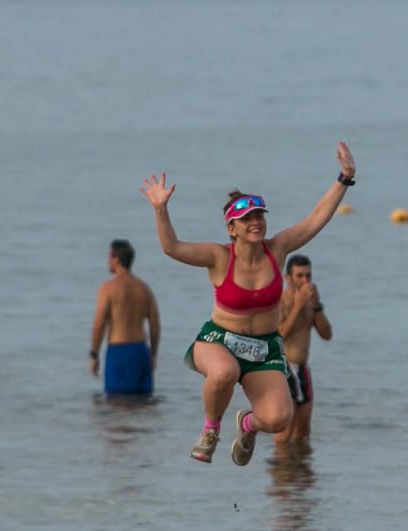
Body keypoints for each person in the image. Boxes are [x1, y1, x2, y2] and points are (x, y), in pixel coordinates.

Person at [140, 141, 355, 466]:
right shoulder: (218, 256)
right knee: (224, 371)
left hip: (264, 348)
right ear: (232, 228)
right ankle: (211, 430)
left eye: (259, 215)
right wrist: (160, 208)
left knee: (280, 419)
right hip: (219, 341)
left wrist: (344, 178)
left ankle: (246, 423)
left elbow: (315, 220)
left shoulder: (278, 248)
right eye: (246, 218)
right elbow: (171, 248)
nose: (255, 222)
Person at [275, 254, 333, 447]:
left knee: (303, 432)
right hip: (283, 368)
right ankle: (281, 474)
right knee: (285, 431)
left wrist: (316, 306)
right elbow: (279, 336)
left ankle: (301, 475)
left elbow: (327, 334)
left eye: (308, 276)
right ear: (288, 278)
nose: (305, 281)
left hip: (302, 368)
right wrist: (298, 305)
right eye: (299, 276)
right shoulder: (280, 302)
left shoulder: (311, 303)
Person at [90, 239, 160, 396]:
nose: (107, 261)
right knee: (143, 405)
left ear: (116, 259)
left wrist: (94, 354)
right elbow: (155, 324)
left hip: (119, 353)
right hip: (141, 351)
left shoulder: (108, 288)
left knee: (116, 406)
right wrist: (153, 353)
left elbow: (99, 324)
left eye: (109, 257)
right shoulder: (144, 288)